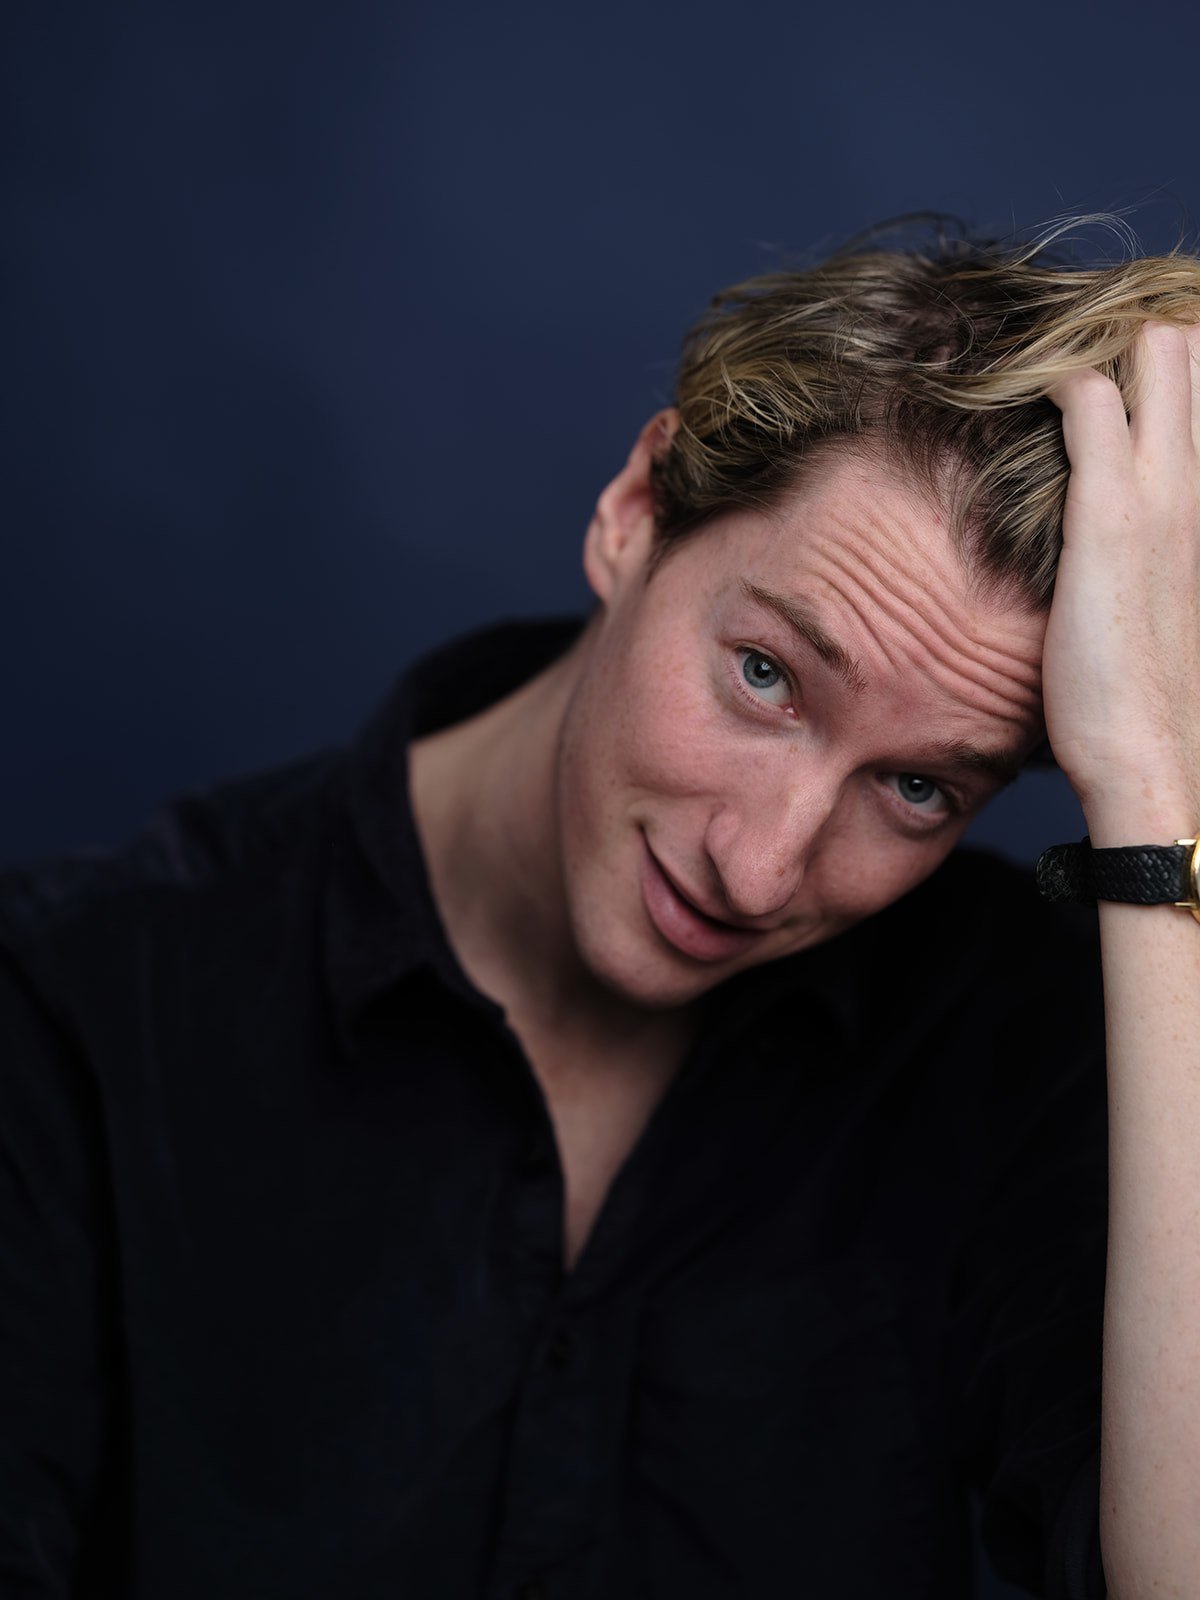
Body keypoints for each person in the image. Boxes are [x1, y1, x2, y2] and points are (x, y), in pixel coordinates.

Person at [1, 217, 1197, 1600]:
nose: (761, 870)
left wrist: (1153, 791)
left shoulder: (1026, 1046)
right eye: (765, 676)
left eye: (920, 788)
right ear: (635, 511)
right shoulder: (78, 1010)